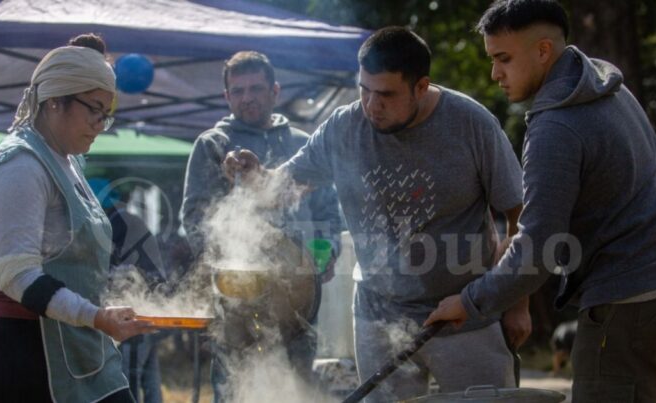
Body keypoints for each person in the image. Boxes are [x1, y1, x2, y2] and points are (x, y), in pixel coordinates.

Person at [424, 1, 656, 402]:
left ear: (543, 51)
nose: (495, 74)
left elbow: (539, 250)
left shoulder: (555, 128)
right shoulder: (605, 83)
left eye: (503, 59)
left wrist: (470, 301)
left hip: (632, 299)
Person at [224, 28, 529, 402]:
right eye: (364, 90)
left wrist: (516, 302)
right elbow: (282, 188)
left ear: (421, 86)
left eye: (385, 94)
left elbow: (520, 214)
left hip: (465, 313)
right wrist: (256, 177)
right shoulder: (343, 127)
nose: (371, 105)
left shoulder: (471, 124)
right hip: (377, 315)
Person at [0, 34, 154, 403]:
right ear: (55, 102)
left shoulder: (67, 161)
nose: (99, 123)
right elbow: (17, 275)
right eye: (94, 108)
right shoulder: (19, 166)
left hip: (70, 341)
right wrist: (95, 316)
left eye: (106, 114)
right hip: (18, 351)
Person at [180, 51, 343, 401]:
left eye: (255, 88)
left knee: (296, 390)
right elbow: (194, 218)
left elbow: (330, 212)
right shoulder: (212, 146)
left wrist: (328, 250)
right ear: (226, 97)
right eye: (237, 91)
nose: (247, 98)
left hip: (299, 299)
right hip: (236, 303)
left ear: (275, 91)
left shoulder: (302, 143)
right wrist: (224, 260)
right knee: (234, 390)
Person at [88, 178, 167, 403]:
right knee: (150, 380)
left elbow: (111, 271)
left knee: (130, 378)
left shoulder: (117, 223)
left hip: (136, 311)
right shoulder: (129, 220)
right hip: (150, 310)